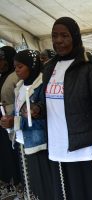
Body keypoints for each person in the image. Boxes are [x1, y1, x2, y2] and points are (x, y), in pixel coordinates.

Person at [42, 17, 92, 200]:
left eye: (64, 36)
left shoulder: (91, 67)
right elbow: (49, 103)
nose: (58, 41)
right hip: (57, 148)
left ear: (75, 37)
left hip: (85, 150)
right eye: (55, 36)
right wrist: (35, 108)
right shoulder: (50, 68)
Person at [1, 49, 54, 200]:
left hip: (38, 143)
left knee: (43, 183)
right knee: (30, 183)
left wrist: (15, 121)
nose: (16, 70)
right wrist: (9, 120)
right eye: (15, 66)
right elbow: (19, 113)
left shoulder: (41, 85)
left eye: (20, 66)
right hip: (22, 141)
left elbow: (43, 116)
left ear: (32, 65)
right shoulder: (19, 86)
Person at [0, 46, 22, 199]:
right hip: (4, 122)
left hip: (13, 121)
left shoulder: (15, 76)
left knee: (13, 154)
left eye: (1, 59)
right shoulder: (3, 76)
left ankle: (18, 184)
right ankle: (9, 182)